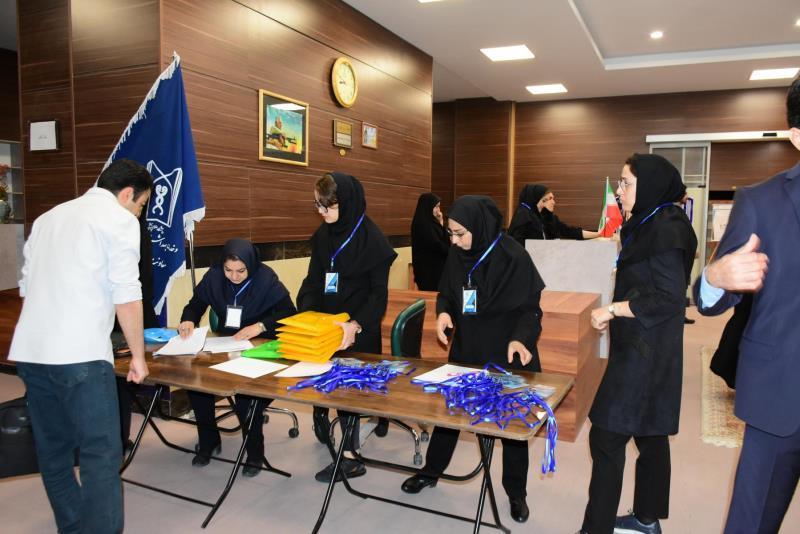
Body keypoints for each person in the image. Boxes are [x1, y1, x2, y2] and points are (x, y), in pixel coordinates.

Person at [9, 159, 152, 533]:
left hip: (31, 353)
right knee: (100, 455)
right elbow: (126, 294)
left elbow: (26, 287)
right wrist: (138, 356)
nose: (139, 214)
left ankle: (72, 528)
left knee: (53, 452)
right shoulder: (119, 220)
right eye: (141, 205)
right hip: (80, 356)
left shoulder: (48, 218)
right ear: (127, 194)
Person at [693, 75, 800, 534]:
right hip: (782, 397)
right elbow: (709, 302)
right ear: (797, 135)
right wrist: (714, 278)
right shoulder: (761, 202)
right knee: (752, 523)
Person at [401, 195, 545, 524]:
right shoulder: (457, 253)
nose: (454, 241)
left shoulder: (513, 256)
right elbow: (447, 294)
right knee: (451, 414)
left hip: (507, 351)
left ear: (480, 227)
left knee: (512, 427)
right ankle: (431, 471)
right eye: (450, 234)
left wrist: (520, 339)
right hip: (467, 348)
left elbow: (531, 310)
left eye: (460, 234)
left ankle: (516, 492)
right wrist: (443, 314)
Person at [579, 154, 697, 534]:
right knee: (651, 432)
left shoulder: (664, 230)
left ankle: (595, 528)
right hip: (651, 346)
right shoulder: (655, 221)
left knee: (606, 436)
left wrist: (613, 309)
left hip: (643, 353)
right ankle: (647, 518)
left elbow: (669, 298)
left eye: (626, 183)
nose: (619, 190)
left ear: (649, 185)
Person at [297, 172, 397, 483]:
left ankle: (351, 458)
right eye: (317, 205)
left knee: (349, 389)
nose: (321, 212)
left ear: (348, 203)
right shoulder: (324, 235)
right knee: (324, 380)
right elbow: (313, 280)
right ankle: (323, 414)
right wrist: (307, 311)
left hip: (358, 325)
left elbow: (378, 295)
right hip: (326, 324)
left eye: (327, 206)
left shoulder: (373, 240)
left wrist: (355, 324)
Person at [178, 238, 296, 476]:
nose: (233, 276)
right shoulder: (214, 277)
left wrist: (261, 326)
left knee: (245, 399)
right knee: (197, 388)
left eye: (241, 271)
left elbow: (289, 313)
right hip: (227, 345)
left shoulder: (266, 279)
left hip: (262, 346)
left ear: (250, 265)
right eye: (228, 270)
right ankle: (209, 442)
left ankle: (254, 454)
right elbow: (195, 304)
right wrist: (188, 319)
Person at [508, 184, 599, 244]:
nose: (554, 202)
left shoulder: (547, 217)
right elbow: (517, 246)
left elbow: (569, 231)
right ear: (541, 200)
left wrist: (599, 234)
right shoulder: (524, 216)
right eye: (550, 198)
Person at [411, 192, 450, 291]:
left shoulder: (432, 223)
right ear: (428, 206)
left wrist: (441, 223)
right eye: (436, 207)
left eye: (439, 207)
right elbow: (436, 245)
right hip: (428, 272)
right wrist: (451, 251)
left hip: (436, 270)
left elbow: (445, 240)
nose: (438, 210)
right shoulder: (423, 224)